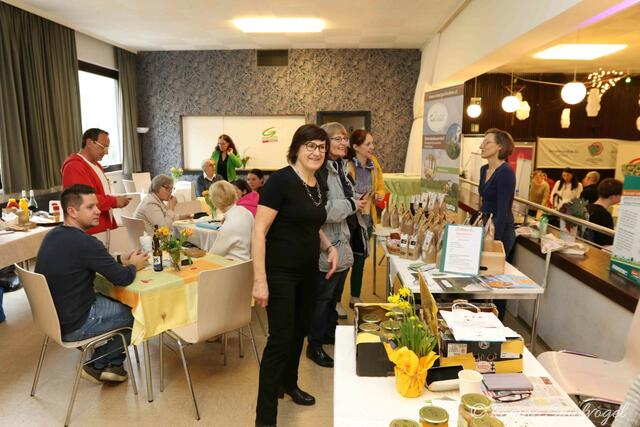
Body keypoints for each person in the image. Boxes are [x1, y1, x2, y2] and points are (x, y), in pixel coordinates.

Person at [252, 124, 337, 427]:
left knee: (300, 332)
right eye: (310, 146)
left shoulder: (317, 182)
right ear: (297, 148)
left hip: (307, 271)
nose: (317, 152)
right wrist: (260, 280)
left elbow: (310, 223)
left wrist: (328, 246)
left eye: (321, 147)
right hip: (280, 273)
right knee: (280, 340)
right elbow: (259, 231)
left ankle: (288, 384)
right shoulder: (280, 181)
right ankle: (265, 418)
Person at [35, 184, 148, 383]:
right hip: (76, 323)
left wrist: (120, 260)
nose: (98, 210)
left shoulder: (53, 235)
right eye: (90, 207)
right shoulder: (86, 243)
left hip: (52, 319)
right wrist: (134, 265)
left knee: (115, 300)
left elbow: (84, 261)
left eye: (96, 205)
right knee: (142, 315)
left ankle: (113, 365)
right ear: (72, 211)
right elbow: (123, 278)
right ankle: (97, 363)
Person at [306, 122, 362, 368]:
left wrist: (355, 201)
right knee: (322, 298)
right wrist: (352, 205)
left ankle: (329, 334)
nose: (343, 143)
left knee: (333, 297)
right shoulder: (318, 172)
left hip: (343, 242)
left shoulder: (340, 169)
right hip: (325, 246)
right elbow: (321, 210)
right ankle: (314, 346)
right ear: (325, 143)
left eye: (345, 138)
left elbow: (344, 198)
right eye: (337, 138)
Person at [61, 128, 131, 234]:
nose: (106, 152)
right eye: (103, 147)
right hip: (91, 229)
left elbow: (101, 193)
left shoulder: (96, 165)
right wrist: (114, 201)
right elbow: (83, 199)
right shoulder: (74, 166)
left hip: (104, 224)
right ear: (89, 142)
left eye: (107, 148)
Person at [479, 129, 516, 321]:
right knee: (482, 275)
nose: (481, 146)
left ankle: (498, 321)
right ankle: (481, 316)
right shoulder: (483, 169)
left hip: (500, 230)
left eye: (487, 142)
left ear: (500, 147)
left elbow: (503, 211)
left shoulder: (506, 173)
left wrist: (495, 243)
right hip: (484, 228)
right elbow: (484, 203)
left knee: (497, 278)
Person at [346, 129, 385, 308]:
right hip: (349, 220)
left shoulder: (374, 163)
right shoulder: (347, 166)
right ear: (355, 147)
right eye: (368, 144)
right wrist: (355, 200)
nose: (372, 147)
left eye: (372, 143)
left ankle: (355, 296)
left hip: (367, 219)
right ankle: (336, 301)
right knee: (344, 261)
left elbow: (380, 186)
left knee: (360, 259)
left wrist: (379, 194)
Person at [208, 180, 254, 261]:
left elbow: (213, 255)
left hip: (231, 265)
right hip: (248, 261)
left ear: (215, 201)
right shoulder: (245, 211)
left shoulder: (228, 226)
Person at [584, 178, 622, 246]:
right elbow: (607, 243)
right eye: (621, 195)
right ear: (613, 197)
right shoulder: (604, 215)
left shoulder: (587, 207)